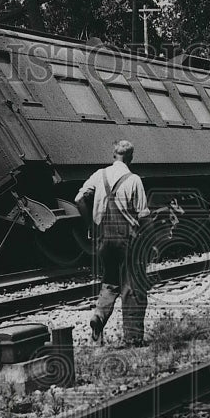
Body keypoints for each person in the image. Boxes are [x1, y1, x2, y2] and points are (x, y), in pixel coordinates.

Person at [75, 140, 151, 346]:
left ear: (113, 155)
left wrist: (91, 225)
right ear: (130, 157)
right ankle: (133, 338)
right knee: (132, 286)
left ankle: (98, 316)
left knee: (110, 282)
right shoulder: (134, 179)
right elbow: (143, 216)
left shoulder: (99, 175)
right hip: (128, 239)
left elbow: (79, 199)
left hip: (104, 239)